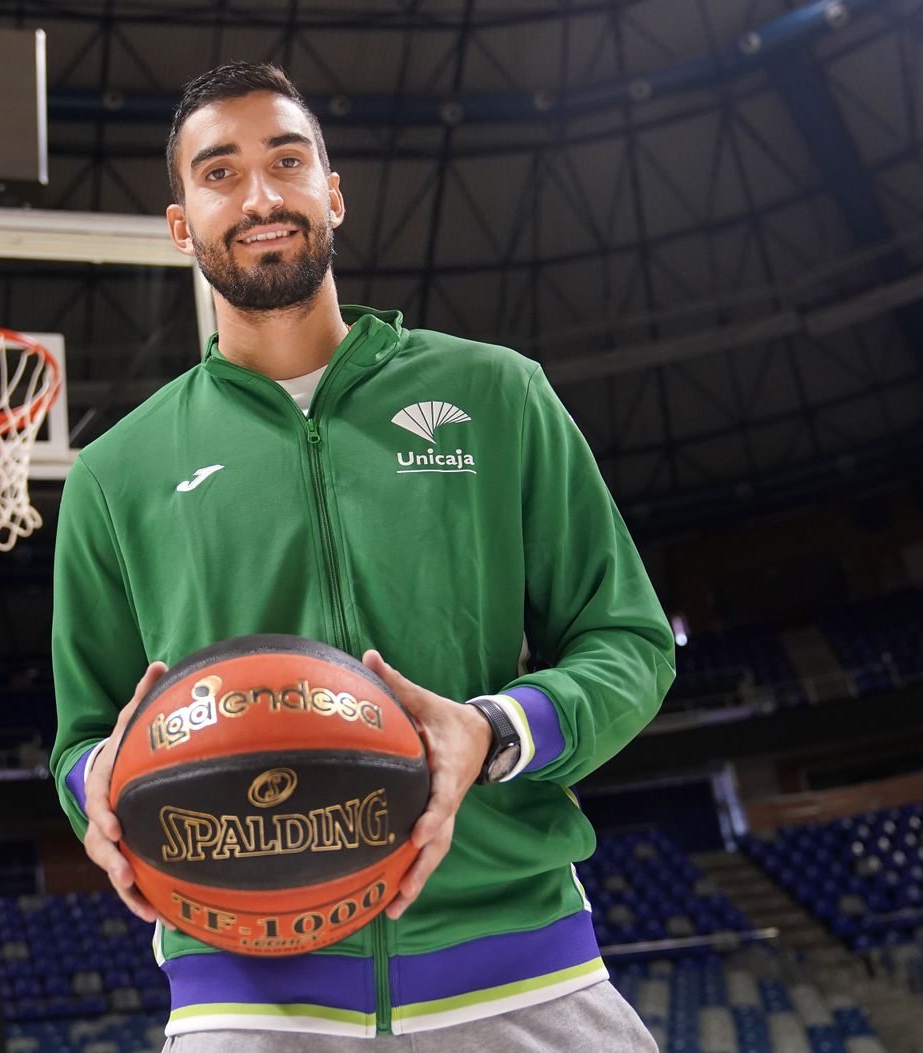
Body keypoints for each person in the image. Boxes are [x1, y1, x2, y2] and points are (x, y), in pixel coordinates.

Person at [51, 62, 675, 1050]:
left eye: (286, 161)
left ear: (331, 194)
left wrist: (495, 731)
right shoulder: (115, 472)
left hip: (519, 966)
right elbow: (82, 732)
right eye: (220, 173)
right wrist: (101, 785)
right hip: (242, 995)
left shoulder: (497, 394)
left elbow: (629, 640)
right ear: (180, 224)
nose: (260, 196)